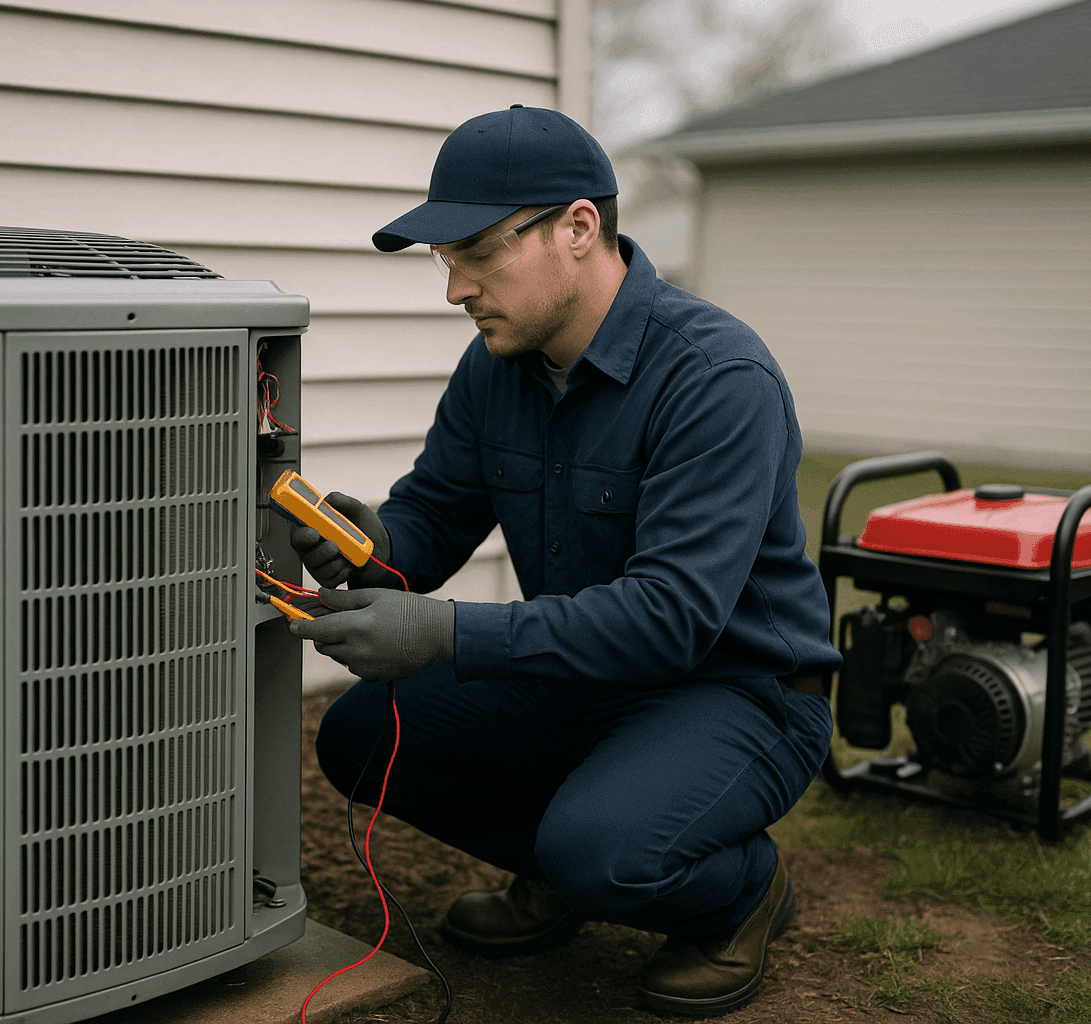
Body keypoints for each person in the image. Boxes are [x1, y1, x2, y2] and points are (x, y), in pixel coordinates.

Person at [288, 104, 840, 1019]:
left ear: (578, 228)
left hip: (738, 691)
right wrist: (372, 545)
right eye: (444, 261)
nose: (455, 289)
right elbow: (434, 516)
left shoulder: (717, 379)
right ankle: (563, 860)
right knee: (360, 737)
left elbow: (670, 617)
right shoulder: (498, 363)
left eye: (477, 253)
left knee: (608, 855)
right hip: (580, 678)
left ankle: (741, 890)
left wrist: (440, 630)